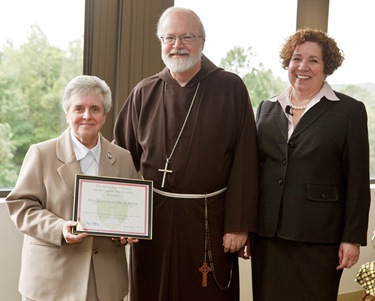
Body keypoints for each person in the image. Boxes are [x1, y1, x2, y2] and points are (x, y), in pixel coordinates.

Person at [113, 6, 259, 301]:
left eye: (186, 37)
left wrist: (238, 226)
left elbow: (245, 161)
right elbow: (120, 158)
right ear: (161, 44)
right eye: (169, 38)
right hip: (152, 220)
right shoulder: (145, 91)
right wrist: (121, 220)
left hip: (209, 219)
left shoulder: (230, 87)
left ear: (202, 42)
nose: (177, 45)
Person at [252, 28, 371, 300]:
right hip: (269, 235)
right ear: (287, 63)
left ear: (326, 66)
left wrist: (352, 238)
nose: (302, 67)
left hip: (320, 237)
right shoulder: (267, 107)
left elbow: (357, 179)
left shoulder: (349, 111)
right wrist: (247, 225)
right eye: (296, 58)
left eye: (313, 60)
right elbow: (255, 170)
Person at [6, 75, 139, 301]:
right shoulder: (41, 154)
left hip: (104, 283)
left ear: (104, 116)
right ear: (67, 114)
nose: (87, 115)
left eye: (95, 109)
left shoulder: (123, 158)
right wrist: (60, 228)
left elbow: (130, 210)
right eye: (79, 108)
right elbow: (21, 207)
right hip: (51, 281)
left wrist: (126, 233)